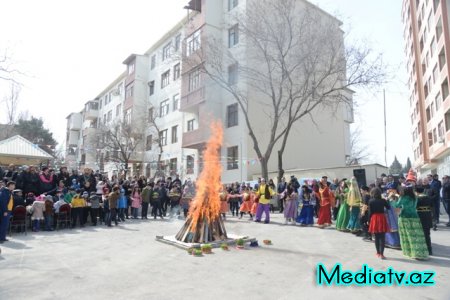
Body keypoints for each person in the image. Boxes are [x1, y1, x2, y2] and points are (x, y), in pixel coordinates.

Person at [392, 170, 429, 260]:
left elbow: (396, 205)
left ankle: (410, 252)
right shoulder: (414, 196)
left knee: (407, 235)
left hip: (405, 218)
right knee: (417, 236)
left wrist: (392, 199)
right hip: (415, 217)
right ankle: (420, 253)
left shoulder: (403, 197)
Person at [368, 187, 390, 259]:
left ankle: (378, 252)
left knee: (376, 237)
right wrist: (387, 200)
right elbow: (388, 207)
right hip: (382, 217)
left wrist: (369, 220)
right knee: (382, 237)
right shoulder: (383, 200)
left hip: (374, 218)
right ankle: (382, 254)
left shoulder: (371, 201)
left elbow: (370, 212)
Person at [415, 186, 433, 255]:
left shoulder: (417, 199)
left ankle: (423, 249)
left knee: (420, 234)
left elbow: (415, 207)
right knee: (427, 234)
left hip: (420, 216)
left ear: (416, 192)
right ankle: (429, 249)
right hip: (428, 216)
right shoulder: (428, 197)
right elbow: (431, 206)